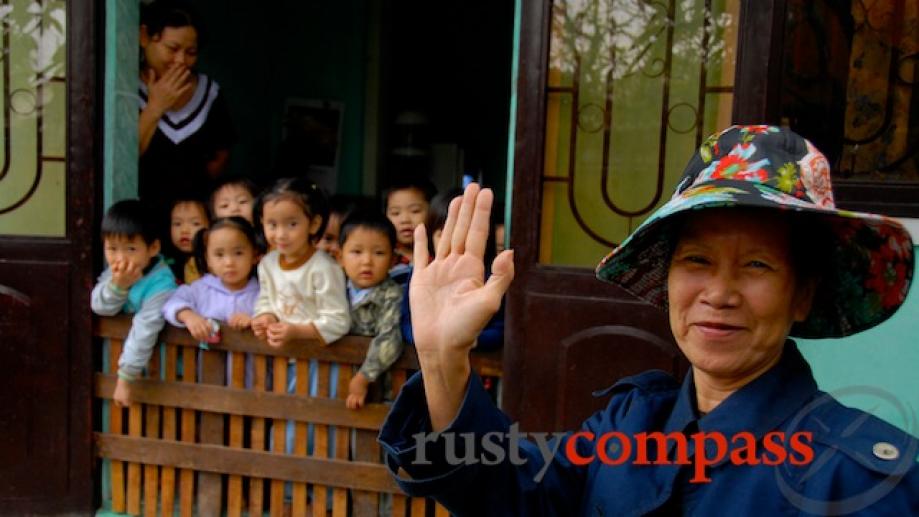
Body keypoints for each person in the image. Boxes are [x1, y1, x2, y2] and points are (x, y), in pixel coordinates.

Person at [379, 126, 919, 514]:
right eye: (696, 261)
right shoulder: (629, 426)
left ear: (802, 295)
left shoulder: (862, 478)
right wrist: (443, 358)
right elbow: (514, 494)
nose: (719, 293)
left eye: (756, 265)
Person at [138, 0, 234, 211]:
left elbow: (220, 155)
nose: (180, 60)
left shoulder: (209, 93)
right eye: (172, 49)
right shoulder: (125, 90)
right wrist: (156, 107)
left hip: (193, 218)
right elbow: (124, 154)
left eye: (191, 52)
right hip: (142, 216)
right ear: (144, 37)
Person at [91, 199, 177, 407]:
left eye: (131, 249)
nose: (120, 258)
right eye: (112, 249)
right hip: (119, 362)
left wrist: (125, 378)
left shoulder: (162, 284)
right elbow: (99, 306)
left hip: (156, 370)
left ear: (153, 247)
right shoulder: (115, 273)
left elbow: (145, 328)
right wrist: (118, 287)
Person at [250, 177, 350, 348]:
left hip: (317, 358)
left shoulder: (324, 268)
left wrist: (297, 332)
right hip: (280, 355)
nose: (281, 234)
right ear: (262, 222)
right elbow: (265, 300)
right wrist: (266, 317)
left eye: (292, 224)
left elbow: (338, 321)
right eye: (272, 224)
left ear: (314, 224)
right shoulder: (267, 263)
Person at [400, 188, 504, 351]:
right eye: (443, 234)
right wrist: (426, 337)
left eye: (464, 233)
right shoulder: (421, 275)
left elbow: (501, 330)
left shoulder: (490, 277)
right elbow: (406, 322)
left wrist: (466, 339)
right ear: (429, 237)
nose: (454, 241)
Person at [336, 209, 404, 409]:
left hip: (377, 388)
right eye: (357, 252)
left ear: (393, 260)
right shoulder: (334, 287)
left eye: (379, 253)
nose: (367, 261)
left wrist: (364, 377)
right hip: (333, 380)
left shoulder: (392, 294)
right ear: (340, 256)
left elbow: (390, 338)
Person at [161, 216, 261, 342]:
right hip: (205, 361)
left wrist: (255, 321)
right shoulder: (199, 289)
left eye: (238, 253)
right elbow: (170, 303)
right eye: (219, 254)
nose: (229, 262)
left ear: (255, 255)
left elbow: (276, 318)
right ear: (208, 259)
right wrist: (188, 316)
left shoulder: (263, 294)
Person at [383, 177, 436, 283]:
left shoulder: (438, 253)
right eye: (395, 213)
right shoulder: (382, 255)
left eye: (415, 211)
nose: (405, 220)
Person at [165, 195, 209, 283]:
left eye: (195, 223)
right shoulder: (165, 261)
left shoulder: (212, 260)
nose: (184, 230)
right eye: (177, 224)